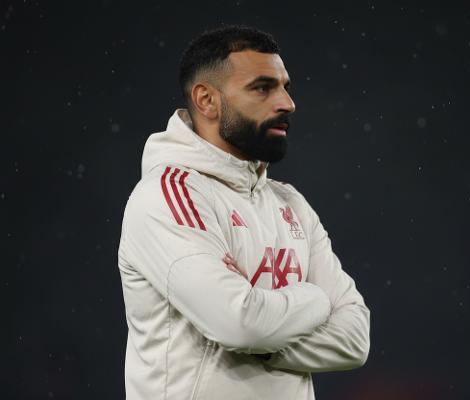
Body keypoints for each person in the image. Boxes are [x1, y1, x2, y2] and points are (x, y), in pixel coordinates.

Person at [117, 25, 370, 400]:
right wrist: (314, 299)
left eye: (285, 87)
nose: (287, 103)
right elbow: (239, 324)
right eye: (263, 88)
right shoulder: (167, 196)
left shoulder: (291, 204)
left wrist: (260, 338)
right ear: (207, 100)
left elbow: (355, 340)